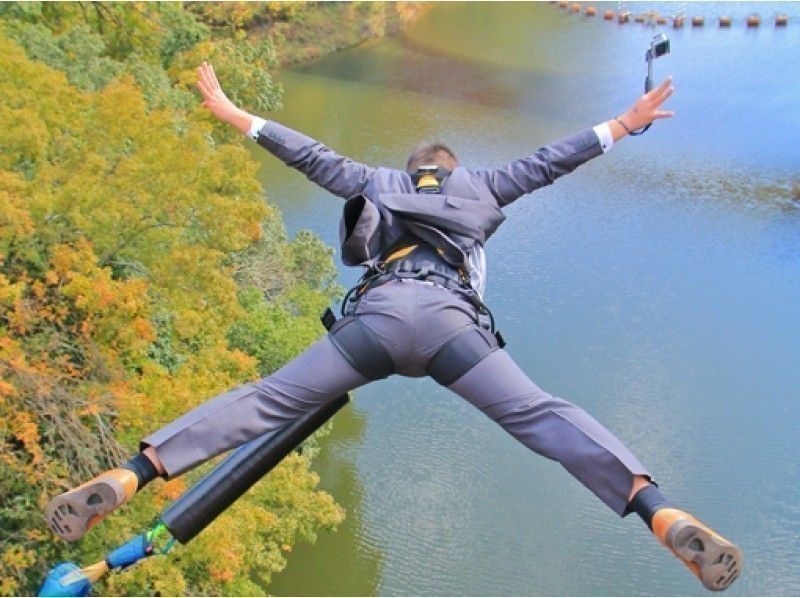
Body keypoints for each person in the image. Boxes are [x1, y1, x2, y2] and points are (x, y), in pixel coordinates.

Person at [46, 62, 742, 592]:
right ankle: (655, 510)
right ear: (453, 171)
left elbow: (308, 154)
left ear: (412, 172)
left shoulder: (374, 182)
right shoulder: (482, 187)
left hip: (376, 322)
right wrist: (624, 121)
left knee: (264, 401)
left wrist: (235, 113)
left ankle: (135, 473)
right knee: (542, 415)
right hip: (448, 328)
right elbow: (548, 163)